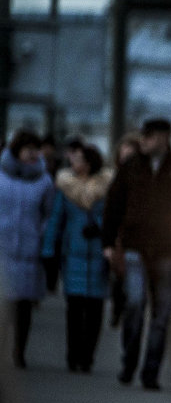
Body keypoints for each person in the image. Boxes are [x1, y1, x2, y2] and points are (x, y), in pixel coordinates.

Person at [102, 118, 171, 390]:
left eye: (149, 137)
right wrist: (108, 240)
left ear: (164, 138)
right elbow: (113, 204)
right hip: (135, 247)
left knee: (161, 314)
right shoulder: (132, 167)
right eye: (144, 136)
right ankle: (129, 363)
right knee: (135, 304)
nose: (144, 141)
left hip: (167, 248)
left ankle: (150, 373)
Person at [41, 144, 112, 373]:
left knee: (94, 311)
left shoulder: (106, 188)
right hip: (73, 255)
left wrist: (100, 229)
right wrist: (49, 250)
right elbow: (56, 220)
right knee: (74, 310)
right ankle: (73, 356)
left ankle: (87, 356)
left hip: (99, 255)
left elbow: (113, 219)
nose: (74, 163)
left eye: (79, 159)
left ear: (90, 163)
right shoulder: (65, 187)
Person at [0, 129, 56, 368]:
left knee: (23, 306)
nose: (33, 154)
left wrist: (41, 236)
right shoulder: (1, 177)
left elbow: (49, 214)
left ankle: (19, 350)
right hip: (2, 249)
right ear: (17, 151)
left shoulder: (44, 182)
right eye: (28, 149)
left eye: (36, 149)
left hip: (29, 251)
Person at [107, 132, 142, 328]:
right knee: (119, 276)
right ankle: (118, 307)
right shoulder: (113, 178)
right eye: (124, 155)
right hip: (118, 236)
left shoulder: (142, 181)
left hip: (132, 238)